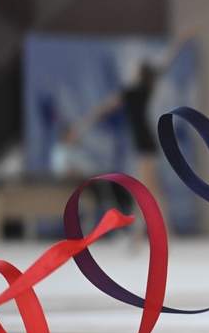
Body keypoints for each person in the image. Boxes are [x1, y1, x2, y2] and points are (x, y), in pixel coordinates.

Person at [71, 28, 196, 236]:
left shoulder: (130, 92)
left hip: (143, 141)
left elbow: (103, 110)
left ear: (138, 75)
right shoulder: (143, 90)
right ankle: (160, 232)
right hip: (145, 139)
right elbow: (165, 61)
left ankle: (144, 233)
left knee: (145, 189)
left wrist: (82, 126)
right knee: (153, 188)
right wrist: (182, 40)